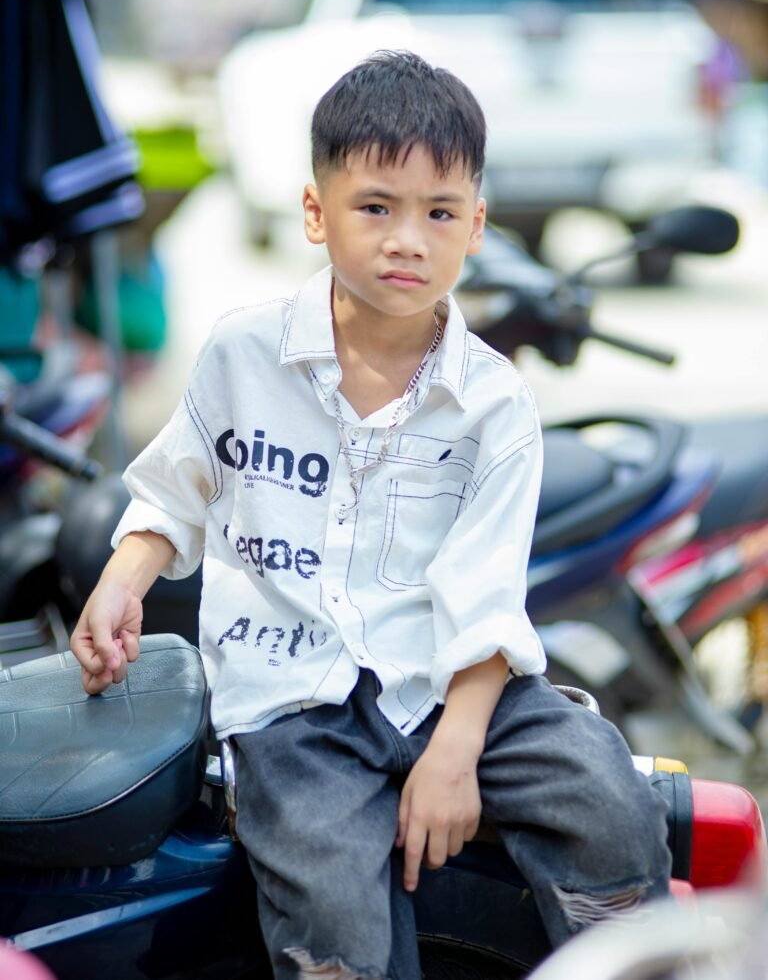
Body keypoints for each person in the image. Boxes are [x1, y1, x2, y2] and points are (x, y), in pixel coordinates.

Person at [70, 50, 671, 980]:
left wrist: (453, 756)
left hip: (455, 684)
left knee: (607, 798)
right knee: (332, 906)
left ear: (476, 226)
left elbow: (486, 602)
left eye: (438, 213)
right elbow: (174, 490)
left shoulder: (494, 404)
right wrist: (123, 581)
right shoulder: (244, 354)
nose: (407, 240)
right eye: (376, 207)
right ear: (316, 212)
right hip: (291, 702)